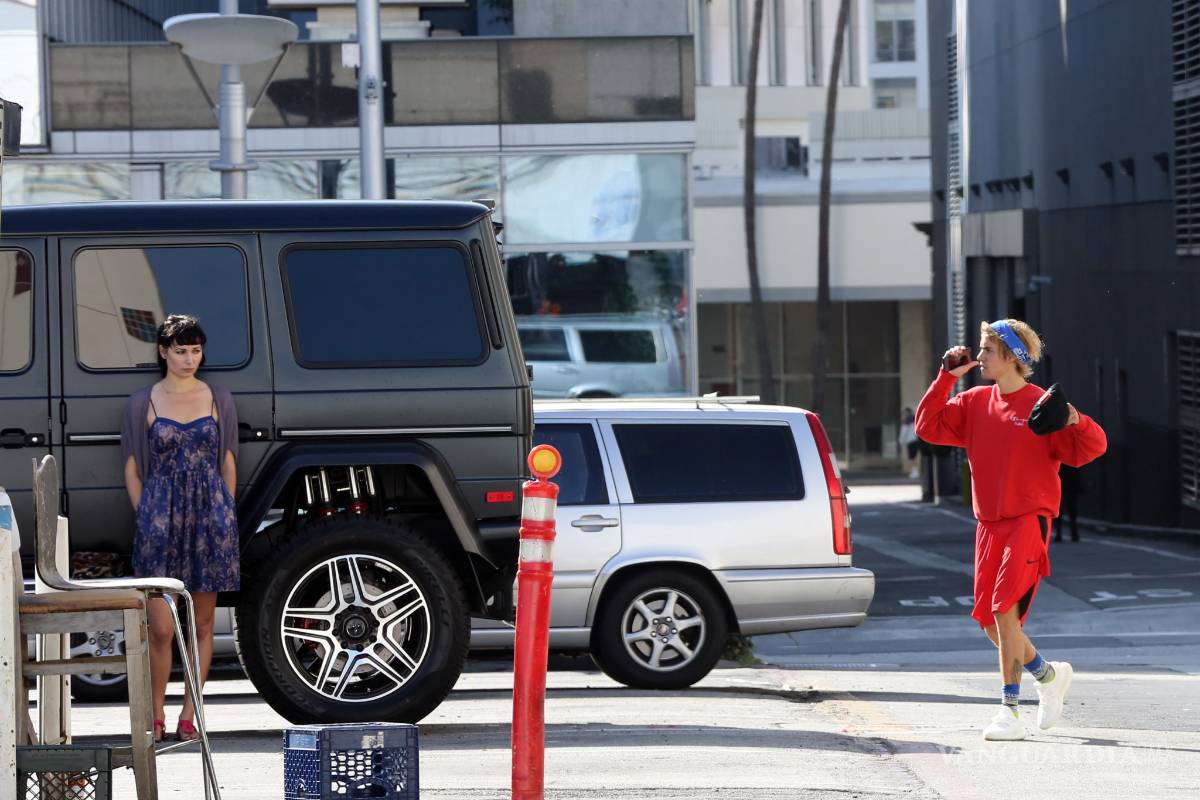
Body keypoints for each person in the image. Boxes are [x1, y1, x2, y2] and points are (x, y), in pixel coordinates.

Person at [915, 319, 1106, 741]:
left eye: (986, 351)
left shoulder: (1042, 406)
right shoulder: (974, 402)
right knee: (989, 621)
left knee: (1005, 610)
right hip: (988, 526)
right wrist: (946, 377)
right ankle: (1048, 675)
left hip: (1027, 520)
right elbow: (927, 426)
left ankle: (1009, 709)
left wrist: (1074, 418)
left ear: (1012, 357)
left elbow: (1092, 448)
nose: (979, 357)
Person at [120, 314, 239, 743]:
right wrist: (145, 515)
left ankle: (191, 714)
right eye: (181, 350)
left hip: (210, 518)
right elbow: (133, 467)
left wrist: (226, 512)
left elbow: (228, 460)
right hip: (160, 519)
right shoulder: (142, 403)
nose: (190, 359)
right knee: (161, 627)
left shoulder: (218, 397)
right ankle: (156, 715)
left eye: (196, 350)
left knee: (203, 624)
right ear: (163, 352)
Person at [1055, 464, 1081, 542]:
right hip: (1071, 480)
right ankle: (1074, 533)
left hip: (1060, 479)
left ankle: (1059, 534)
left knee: (1059, 509)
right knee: (1072, 508)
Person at [898, 407, 920, 479]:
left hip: (910, 441)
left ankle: (914, 471)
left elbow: (904, 433)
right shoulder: (914, 420)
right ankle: (915, 471)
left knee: (911, 458)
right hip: (915, 440)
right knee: (914, 457)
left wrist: (901, 441)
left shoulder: (906, 422)